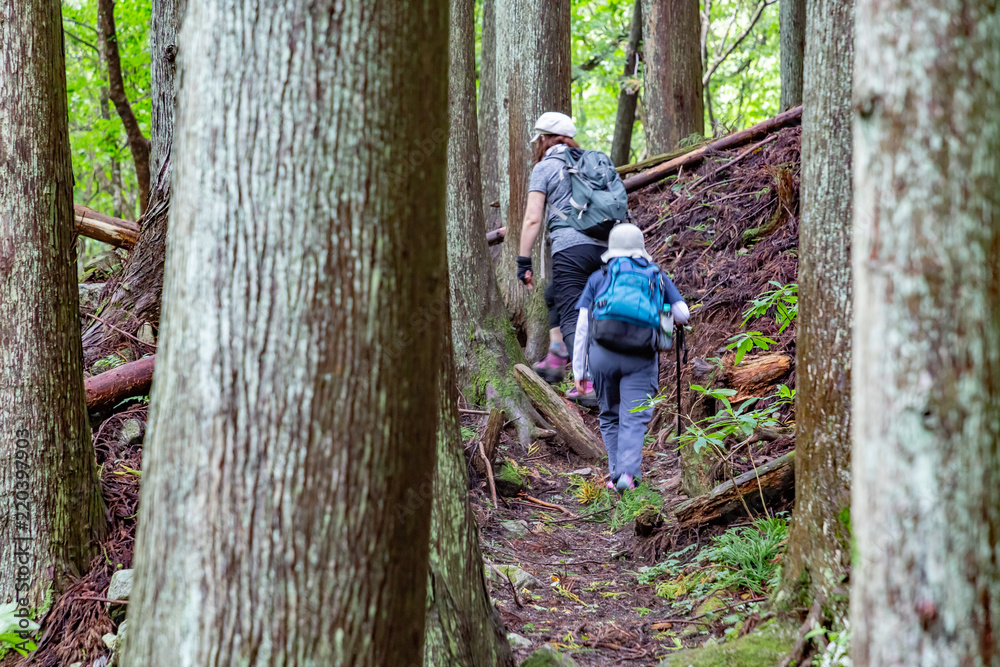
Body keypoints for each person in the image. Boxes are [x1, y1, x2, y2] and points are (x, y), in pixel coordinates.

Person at [571, 223, 689, 494]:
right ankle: (628, 475)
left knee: (610, 415)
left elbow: (582, 327)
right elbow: (682, 313)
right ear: (641, 247)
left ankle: (616, 476)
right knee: (633, 417)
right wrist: (663, 312)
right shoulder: (656, 275)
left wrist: (579, 371)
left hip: (602, 357)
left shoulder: (599, 277)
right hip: (642, 357)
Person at [518, 111, 606, 405]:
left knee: (573, 315)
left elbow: (532, 219)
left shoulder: (545, 168)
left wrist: (523, 261)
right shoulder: (594, 162)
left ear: (543, 139)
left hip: (571, 248)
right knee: (556, 293)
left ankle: (591, 383)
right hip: (607, 247)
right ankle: (557, 357)